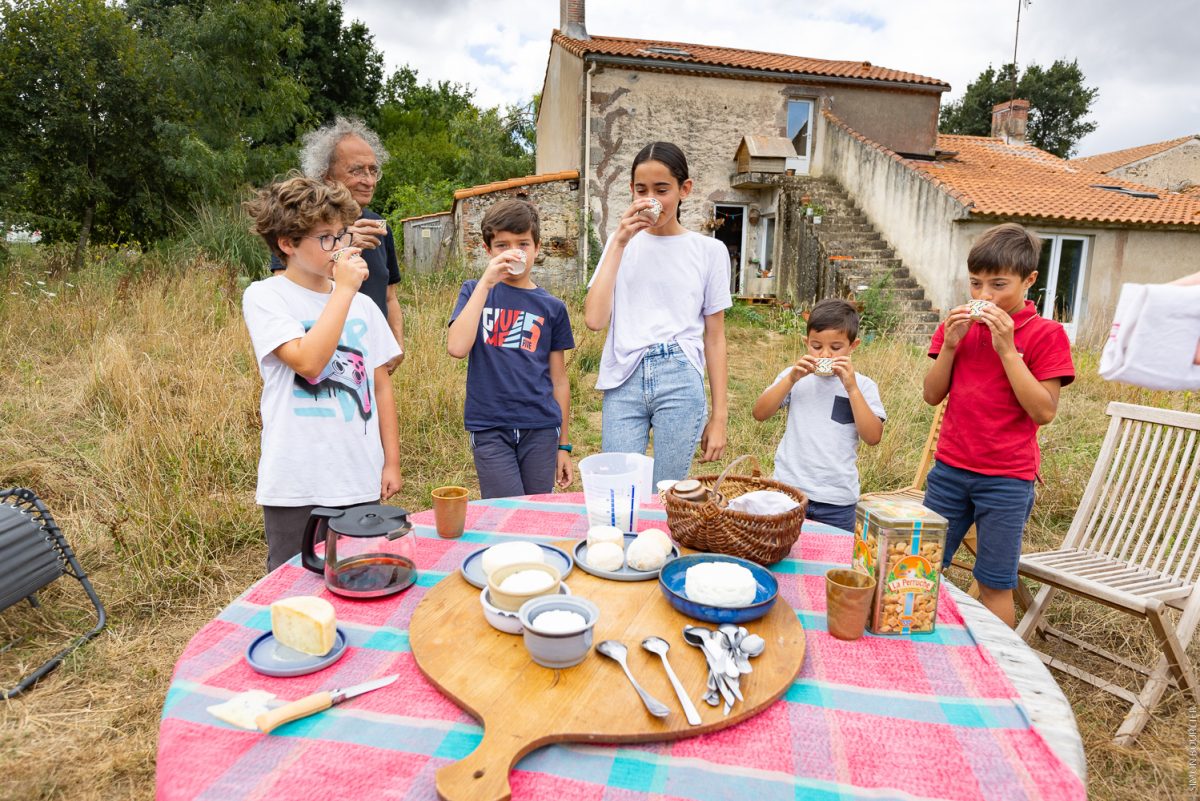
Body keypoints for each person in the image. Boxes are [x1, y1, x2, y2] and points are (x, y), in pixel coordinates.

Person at [243, 174, 402, 571]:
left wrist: (391, 461)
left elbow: (380, 386)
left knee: (362, 574)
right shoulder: (266, 296)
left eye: (340, 234)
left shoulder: (364, 308)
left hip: (357, 476)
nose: (338, 246)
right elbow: (308, 363)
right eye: (326, 238)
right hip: (296, 483)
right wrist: (345, 290)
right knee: (294, 583)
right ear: (287, 244)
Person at [922, 222, 1075, 627]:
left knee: (992, 582)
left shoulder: (1047, 335)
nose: (984, 296)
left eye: (998, 285)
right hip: (950, 470)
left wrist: (1007, 348)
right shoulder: (956, 328)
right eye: (976, 284)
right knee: (919, 566)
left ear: (1030, 280)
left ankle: (998, 672)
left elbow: (1043, 411)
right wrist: (951, 345)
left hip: (1006, 478)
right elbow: (932, 395)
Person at [584, 141, 730, 486]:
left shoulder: (709, 251)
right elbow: (594, 320)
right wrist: (619, 241)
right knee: (617, 487)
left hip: (680, 374)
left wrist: (720, 415)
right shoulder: (620, 244)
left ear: (685, 190)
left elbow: (715, 336)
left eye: (662, 189)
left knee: (668, 493)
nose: (651, 198)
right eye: (641, 189)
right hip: (624, 376)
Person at [447, 198, 575, 499]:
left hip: (541, 427)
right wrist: (486, 284)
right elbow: (457, 347)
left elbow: (559, 380)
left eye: (523, 243)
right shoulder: (473, 291)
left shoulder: (553, 308)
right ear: (487, 250)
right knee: (504, 511)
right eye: (502, 245)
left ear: (537, 248)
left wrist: (563, 445)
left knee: (535, 513)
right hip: (490, 426)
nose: (513, 252)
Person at [270, 116, 405, 374]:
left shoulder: (378, 226)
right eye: (357, 170)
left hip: (370, 364)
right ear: (327, 176)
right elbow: (287, 288)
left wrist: (396, 342)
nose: (369, 180)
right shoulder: (301, 228)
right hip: (317, 362)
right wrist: (343, 243)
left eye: (373, 170)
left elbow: (390, 296)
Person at [752, 298, 885, 531]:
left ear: (853, 347)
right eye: (816, 346)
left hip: (837, 500)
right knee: (783, 553)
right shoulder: (794, 377)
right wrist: (791, 379)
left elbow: (873, 437)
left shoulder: (863, 386)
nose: (825, 354)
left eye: (835, 348)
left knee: (834, 562)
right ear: (806, 342)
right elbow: (760, 413)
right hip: (788, 491)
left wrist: (851, 389)